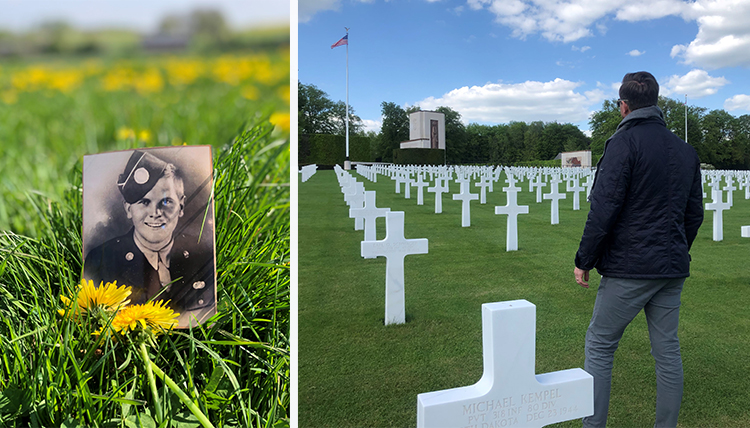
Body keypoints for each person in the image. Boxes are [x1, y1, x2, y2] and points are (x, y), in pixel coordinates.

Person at [573, 71, 704, 428]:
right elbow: (693, 216)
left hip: (630, 267)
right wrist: (674, 248)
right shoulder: (685, 149)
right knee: (667, 352)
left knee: (600, 345)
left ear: (624, 106)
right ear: (657, 103)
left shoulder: (622, 143)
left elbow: (604, 207)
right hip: (671, 266)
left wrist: (584, 259)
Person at [83, 150, 215, 325]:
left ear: (181, 206)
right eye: (144, 202)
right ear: (128, 209)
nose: (155, 213)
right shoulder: (100, 262)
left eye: (167, 202)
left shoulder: (203, 257)